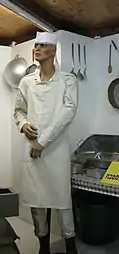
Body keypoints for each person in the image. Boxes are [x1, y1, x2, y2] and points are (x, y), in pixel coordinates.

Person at [14, 32, 78, 254]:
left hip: (56, 149)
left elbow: (67, 113)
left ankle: (71, 245)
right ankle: (43, 247)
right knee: (36, 201)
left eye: (43, 45)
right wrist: (23, 126)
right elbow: (19, 111)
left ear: (53, 50)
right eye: (36, 45)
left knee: (63, 200)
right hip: (31, 149)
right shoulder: (26, 82)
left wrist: (42, 141)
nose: (37, 48)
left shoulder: (68, 80)